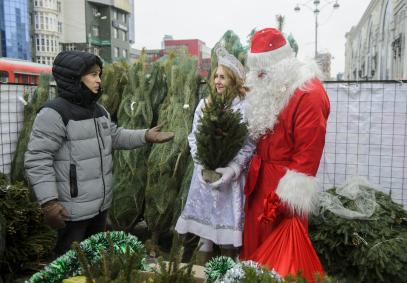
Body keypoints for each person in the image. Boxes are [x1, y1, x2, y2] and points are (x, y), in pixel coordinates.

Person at [24, 50, 174, 258]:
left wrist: (145, 136)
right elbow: (37, 159)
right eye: (93, 75)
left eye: (99, 74)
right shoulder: (54, 113)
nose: (99, 80)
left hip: (99, 207)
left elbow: (113, 135)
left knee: (93, 263)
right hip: (71, 211)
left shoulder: (98, 111)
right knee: (70, 267)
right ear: (75, 78)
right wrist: (49, 202)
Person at [240, 28, 330, 282]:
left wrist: (285, 199)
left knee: (282, 260)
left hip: (283, 190)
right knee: (254, 252)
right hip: (260, 183)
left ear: (282, 63)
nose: (258, 74)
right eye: (255, 68)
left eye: (264, 68)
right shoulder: (269, 89)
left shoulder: (308, 93)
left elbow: (307, 156)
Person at [175, 47, 255, 264]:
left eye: (224, 77)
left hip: (230, 180)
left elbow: (249, 143)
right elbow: (195, 136)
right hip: (205, 177)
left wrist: (233, 169)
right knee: (204, 232)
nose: (218, 81)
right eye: (216, 76)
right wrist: (201, 164)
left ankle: (228, 271)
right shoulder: (205, 104)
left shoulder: (244, 108)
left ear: (234, 80)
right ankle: (201, 270)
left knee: (227, 232)